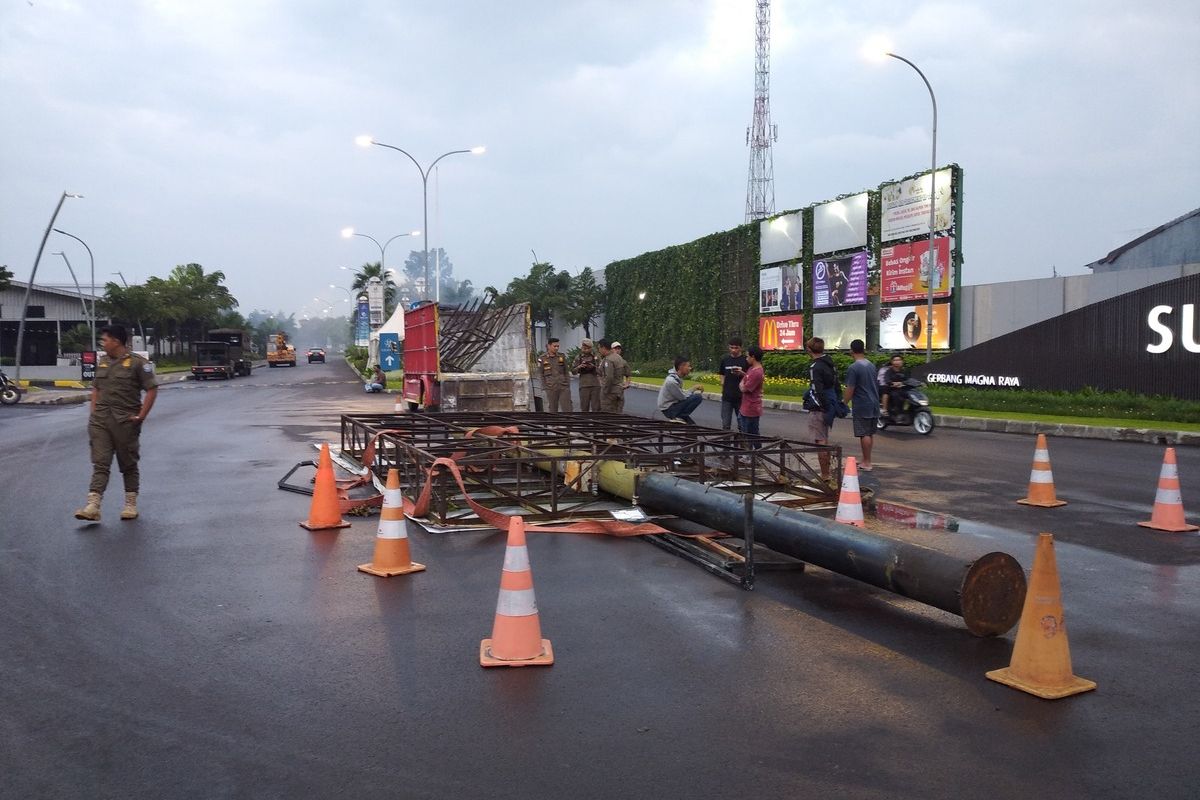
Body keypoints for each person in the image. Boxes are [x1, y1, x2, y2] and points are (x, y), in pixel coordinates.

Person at [74, 324, 158, 522]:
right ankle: (93, 505)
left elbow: (152, 389)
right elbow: (96, 389)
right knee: (100, 462)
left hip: (125, 422)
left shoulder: (139, 363)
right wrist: (94, 413)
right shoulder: (102, 362)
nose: (103, 343)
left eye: (105, 340)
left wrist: (141, 416)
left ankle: (130, 504)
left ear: (116, 341)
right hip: (101, 421)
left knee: (127, 463)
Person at [843, 338, 880, 471]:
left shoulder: (853, 368)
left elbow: (850, 388)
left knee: (864, 433)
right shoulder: (870, 365)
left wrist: (844, 402)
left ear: (851, 351)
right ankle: (866, 459)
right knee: (869, 433)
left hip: (862, 404)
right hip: (874, 402)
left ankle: (867, 462)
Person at [806, 337, 839, 481]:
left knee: (820, 441)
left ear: (809, 349)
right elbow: (836, 384)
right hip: (830, 403)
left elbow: (816, 389)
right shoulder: (829, 363)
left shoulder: (815, 367)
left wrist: (822, 406)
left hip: (819, 407)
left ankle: (825, 475)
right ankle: (827, 473)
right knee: (824, 438)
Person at [656, 355, 704, 424]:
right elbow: (682, 397)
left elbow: (681, 394)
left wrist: (693, 389)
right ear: (681, 367)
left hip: (673, 407)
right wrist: (693, 389)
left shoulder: (676, 378)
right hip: (670, 410)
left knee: (693, 426)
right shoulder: (671, 381)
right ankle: (680, 417)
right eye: (688, 366)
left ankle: (681, 417)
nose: (690, 368)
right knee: (697, 397)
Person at [718, 337, 748, 431]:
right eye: (731, 347)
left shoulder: (746, 360)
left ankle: (743, 444)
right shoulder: (725, 360)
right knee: (726, 424)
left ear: (741, 348)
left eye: (736, 348)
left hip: (741, 396)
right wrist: (722, 382)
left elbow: (750, 376)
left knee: (742, 425)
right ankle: (726, 443)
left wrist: (742, 373)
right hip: (727, 396)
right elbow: (721, 373)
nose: (734, 350)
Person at [538, 337, 573, 412]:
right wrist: (544, 387)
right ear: (549, 346)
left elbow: (566, 371)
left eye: (558, 346)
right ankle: (554, 424)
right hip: (550, 387)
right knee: (553, 409)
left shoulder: (561, 356)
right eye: (555, 346)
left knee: (567, 408)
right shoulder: (542, 358)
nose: (556, 348)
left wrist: (567, 384)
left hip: (563, 386)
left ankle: (569, 423)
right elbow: (541, 374)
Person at [738, 345, 764, 442]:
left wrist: (742, 385)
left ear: (753, 357)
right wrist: (742, 383)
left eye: (748, 356)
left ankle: (754, 454)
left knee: (751, 434)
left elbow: (745, 388)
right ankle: (751, 454)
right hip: (745, 406)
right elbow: (743, 381)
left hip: (752, 408)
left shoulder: (757, 372)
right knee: (746, 431)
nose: (746, 358)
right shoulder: (750, 369)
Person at [598, 339, 629, 413]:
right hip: (619, 391)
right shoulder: (619, 358)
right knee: (618, 415)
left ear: (603, 348)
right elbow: (627, 372)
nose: (599, 350)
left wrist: (605, 391)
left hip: (611, 392)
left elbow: (609, 377)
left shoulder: (609, 360)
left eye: (599, 348)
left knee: (608, 416)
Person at [572, 338, 601, 412]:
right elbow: (573, 371)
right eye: (583, 348)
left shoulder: (596, 357)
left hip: (595, 385)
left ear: (591, 348)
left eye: (587, 348)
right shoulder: (578, 357)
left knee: (596, 407)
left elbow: (601, 371)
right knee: (584, 407)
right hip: (584, 385)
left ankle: (596, 423)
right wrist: (579, 367)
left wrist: (593, 367)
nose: (585, 350)